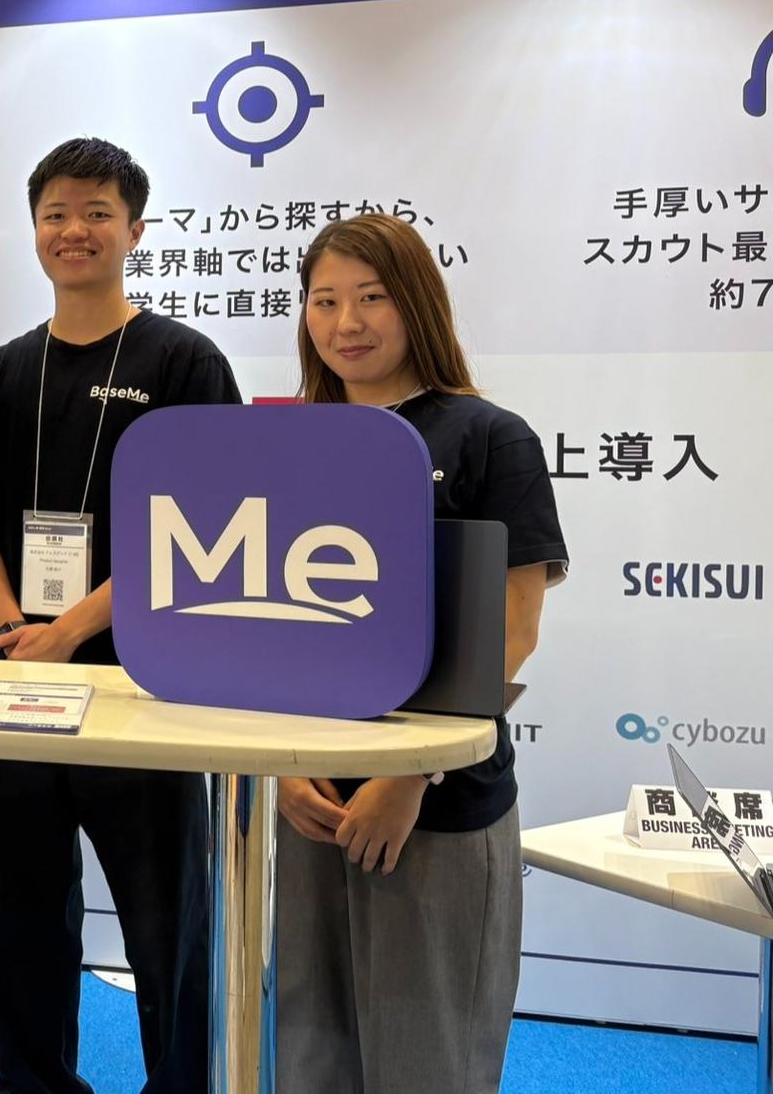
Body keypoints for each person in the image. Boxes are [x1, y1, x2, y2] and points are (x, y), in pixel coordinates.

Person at [0, 137, 230, 1094]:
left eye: (97, 213)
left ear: (135, 230)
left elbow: (204, 531)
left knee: (168, 927)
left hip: (142, 681)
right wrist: (11, 629)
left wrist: (68, 632)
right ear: (34, 228)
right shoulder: (0, 371)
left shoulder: (185, 361)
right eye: (57, 214)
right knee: (20, 919)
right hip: (15, 684)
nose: (75, 231)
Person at [275, 212, 568, 1094]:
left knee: (428, 1060)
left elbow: (513, 628)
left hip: (437, 805)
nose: (346, 323)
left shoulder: (489, 436)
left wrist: (409, 774)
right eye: (324, 301)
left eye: (371, 298)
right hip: (313, 798)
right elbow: (266, 629)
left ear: (417, 303)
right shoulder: (291, 439)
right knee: (309, 1054)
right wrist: (278, 767)